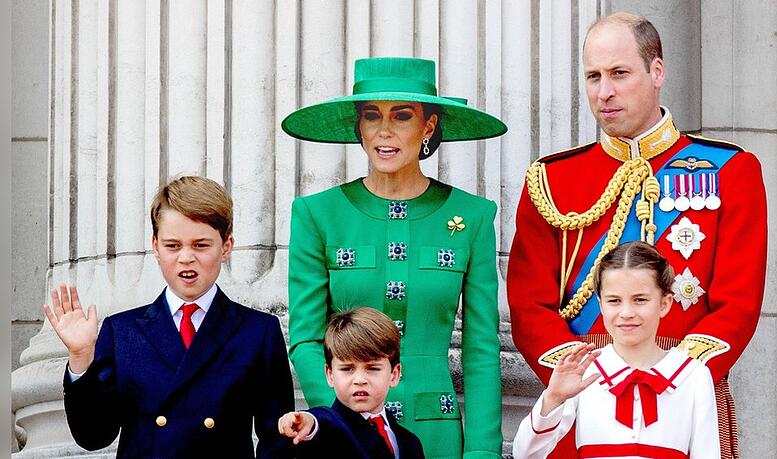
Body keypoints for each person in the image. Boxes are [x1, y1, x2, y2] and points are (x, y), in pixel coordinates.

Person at [507, 12, 766, 459]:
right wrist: (585, 374)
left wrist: (679, 374)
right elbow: (529, 304)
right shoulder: (552, 179)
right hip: (583, 393)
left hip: (687, 389)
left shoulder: (730, 170)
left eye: (619, 74)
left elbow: (739, 301)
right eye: (593, 76)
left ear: (657, 71)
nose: (604, 92)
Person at [282, 56, 507, 458]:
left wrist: (482, 451)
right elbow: (306, 339)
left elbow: (481, 349)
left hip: (437, 434)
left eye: (402, 116)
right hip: (345, 439)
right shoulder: (316, 214)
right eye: (372, 116)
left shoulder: (473, 216)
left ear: (429, 126)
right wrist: (341, 422)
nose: (384, 130)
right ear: (359, 126)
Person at [44, 176, 295, 458]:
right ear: (155, 246)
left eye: (201, 245)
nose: (186, 257)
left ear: (226, 246)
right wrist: (80, 359)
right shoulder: (122, 331)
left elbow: (277, 439)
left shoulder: (258, 331)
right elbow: (93, 436)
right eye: (173, 245)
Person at [512, 241, 720, 458]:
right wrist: (553, 398)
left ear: (664, 304)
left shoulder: (693, 375)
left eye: (640, 300)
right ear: (601, 304)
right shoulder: (586, 370)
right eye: (614, 301)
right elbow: (525, 453)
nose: (626, 312)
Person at [278, 307, 425, 458]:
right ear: (330, 375)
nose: (360, 380)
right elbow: (324, 421)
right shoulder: (327, 430)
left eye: (372, 368)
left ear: (394, 375)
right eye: (347, 369)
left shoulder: (410, 442)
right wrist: (310, 422)